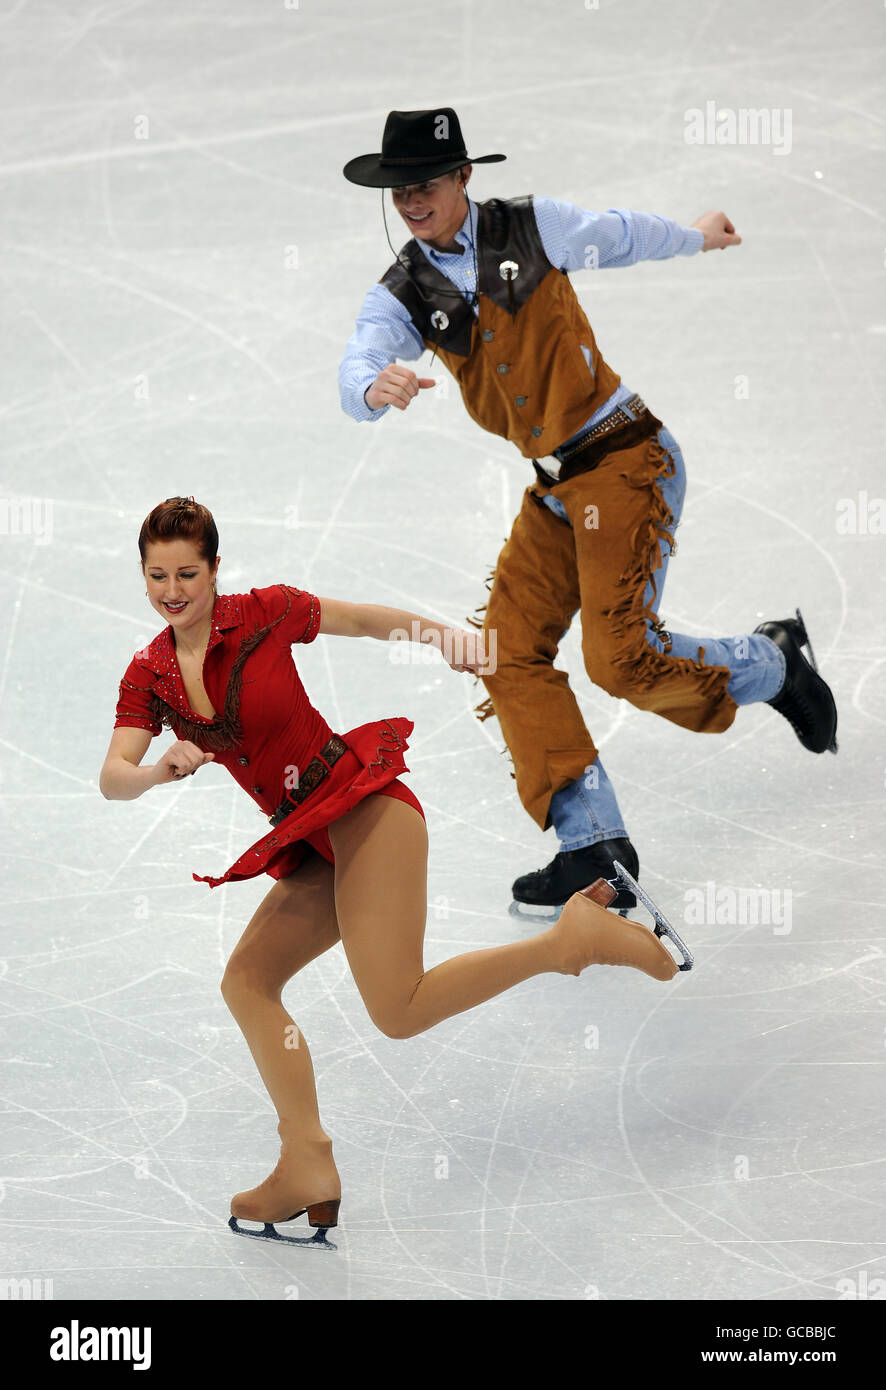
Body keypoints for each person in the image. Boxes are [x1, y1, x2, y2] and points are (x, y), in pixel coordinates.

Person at [99, 496, 680, 1245]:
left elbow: (363, 620)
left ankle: (571, 941)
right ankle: (305, 1162)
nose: (172, 590)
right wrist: (156, 771)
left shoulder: (266, 614)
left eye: (187, 572)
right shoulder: (150, 673)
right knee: (246, 981)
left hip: (367, 809)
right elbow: (114, 773)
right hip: (312, 842)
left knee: (398, 1009)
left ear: (215, 569)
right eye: (156, 576)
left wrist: (443, 637)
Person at [338, 107, 838, 915]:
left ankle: (773, 662)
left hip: (626, 458)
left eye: (425, 184)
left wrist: (696, 233)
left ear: (465, 176)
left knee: (620, 660)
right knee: (506, 650)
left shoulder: (533, 229)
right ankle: (592, 844)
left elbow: (623, 233)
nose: (411, 202)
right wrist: (370, 385)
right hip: (557, 490)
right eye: (398, 191)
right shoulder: (405, 290)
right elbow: (360, 352)